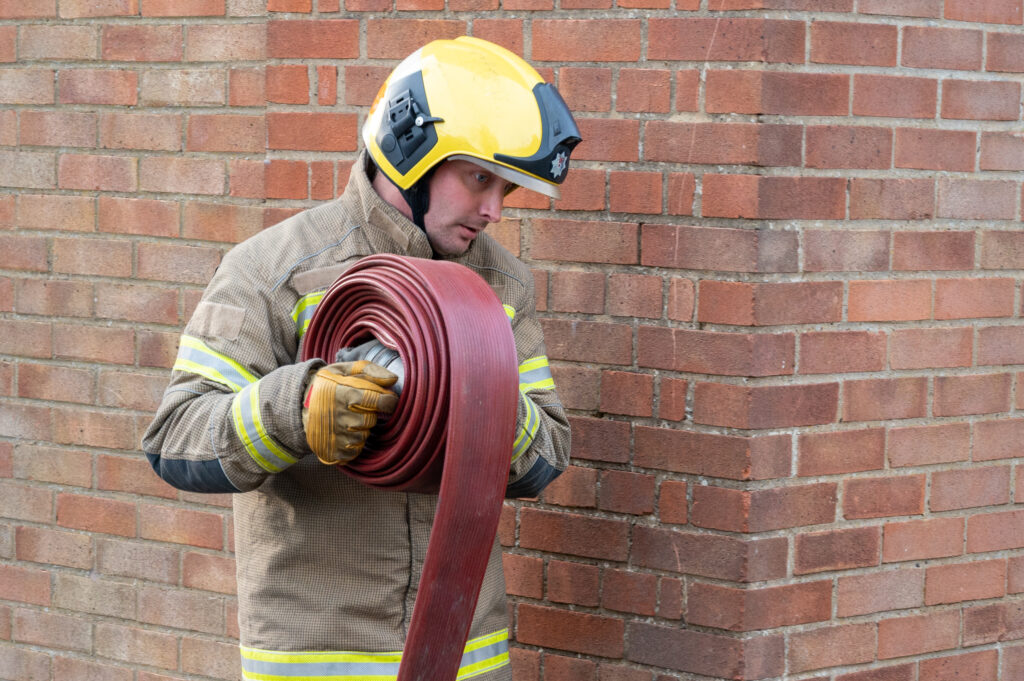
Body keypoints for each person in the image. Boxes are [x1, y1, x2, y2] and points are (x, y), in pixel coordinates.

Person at [142, 36, 579, 680]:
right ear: (411, 151)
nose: (492, 209)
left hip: (464, 654)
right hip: (320, 655)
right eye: (479, 178)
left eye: (506, 190)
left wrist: (482, 402)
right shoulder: (273, 270)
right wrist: (295, 407)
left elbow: (548, 457)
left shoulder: (503, 286)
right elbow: (175, 437)